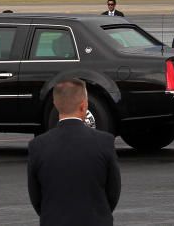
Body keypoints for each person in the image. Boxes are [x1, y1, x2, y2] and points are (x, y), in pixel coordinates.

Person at [27, 78, 120, 226]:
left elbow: (36, 197)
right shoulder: (104, 142)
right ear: (83, 106)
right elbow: (113, 193)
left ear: (56, 104)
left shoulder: (37, 146)